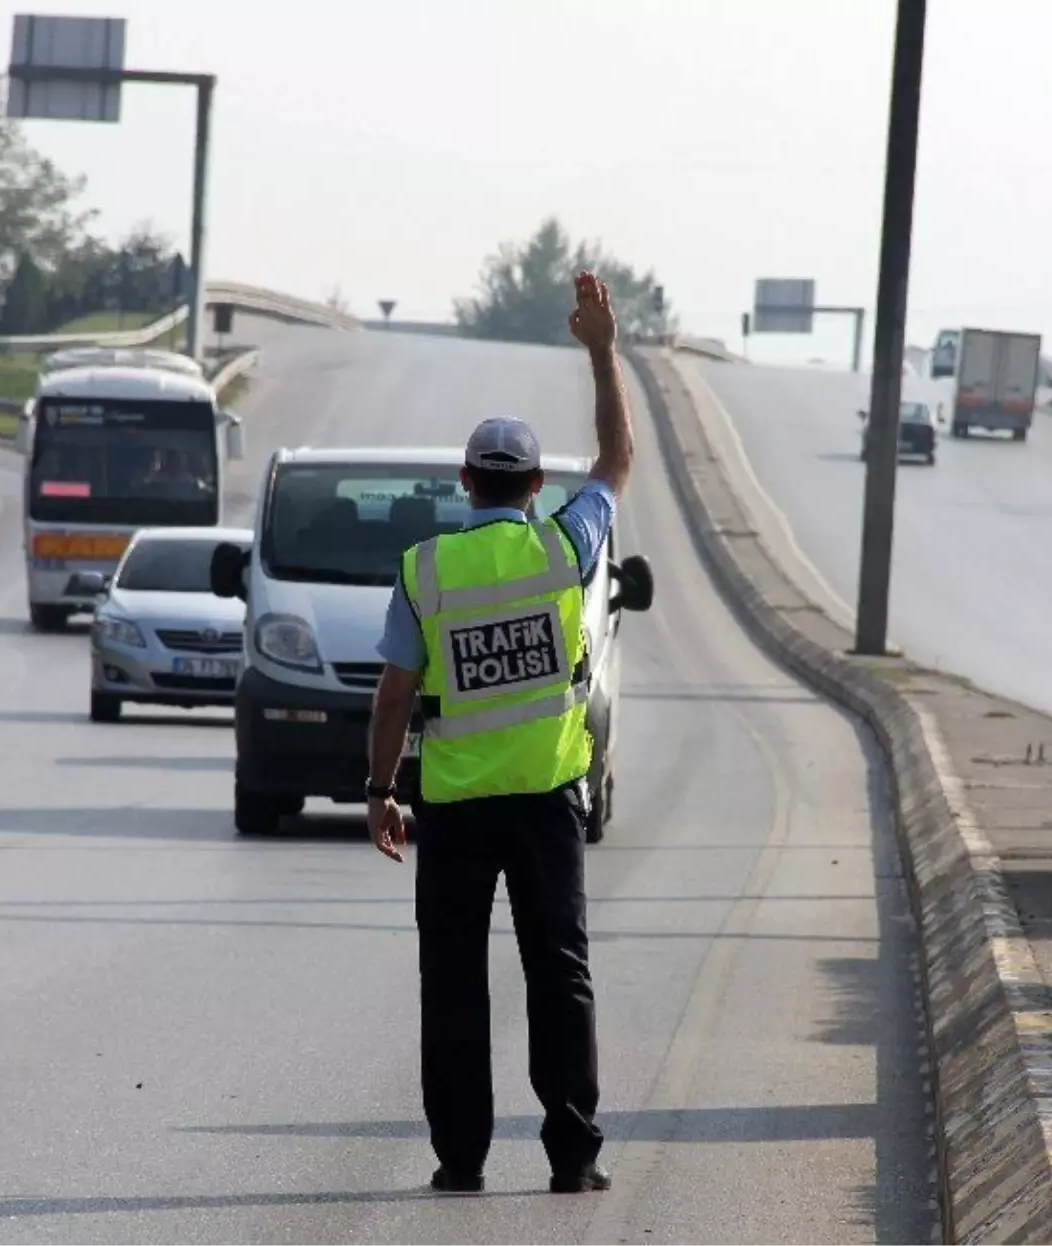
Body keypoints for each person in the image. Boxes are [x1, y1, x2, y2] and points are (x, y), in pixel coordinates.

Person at [364, 270, 633, 1194]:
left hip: (455, 806)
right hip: (549, 804)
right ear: (533, 486)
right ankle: (574, 1160)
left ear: (465, 481)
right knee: (560, 974)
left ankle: (461, 1162)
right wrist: (602, 351)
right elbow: (616, 464)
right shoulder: (564, 546)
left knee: (454, 982)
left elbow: (394, 692)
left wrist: (379, 792)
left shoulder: (426, 568)